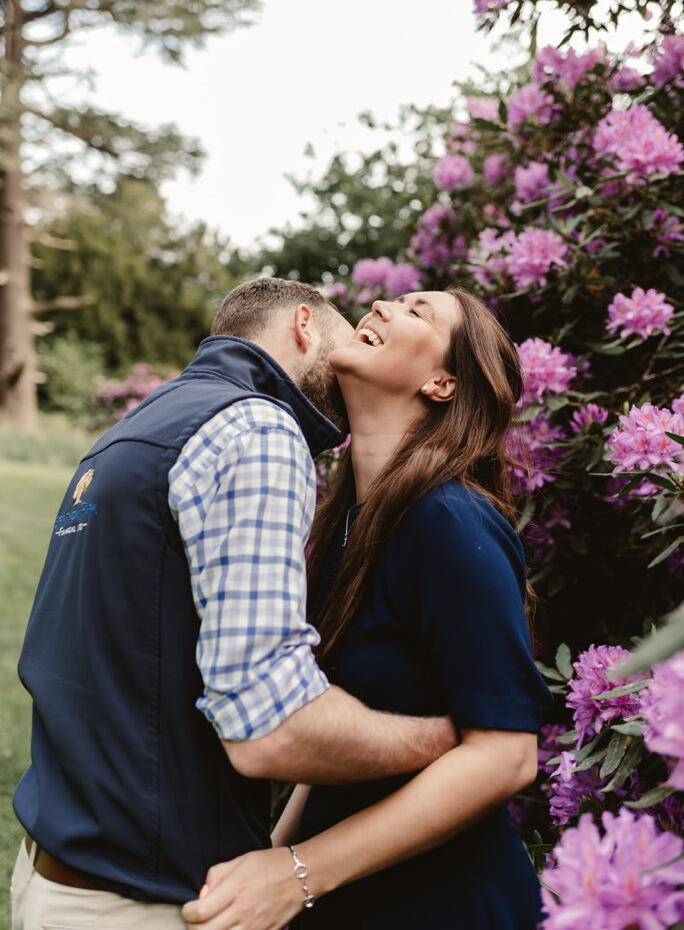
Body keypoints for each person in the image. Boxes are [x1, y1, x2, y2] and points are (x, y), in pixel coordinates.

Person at [10, 278, 457, 930]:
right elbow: (269, 724)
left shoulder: (133, 428)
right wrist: (444, 741)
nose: (349, 356)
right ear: (305, 327)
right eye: (343, 341)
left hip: (56, 873)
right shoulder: (259, 428)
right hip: (145, 900)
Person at [182, 287, 554, 930]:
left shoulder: (450, 519)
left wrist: (299, 873)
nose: (382, 304)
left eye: (418, 311)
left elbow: (506, 755)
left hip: (446, 904)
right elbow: (335, 728)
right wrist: (270, 865)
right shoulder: (343, 525)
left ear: (442, 382)